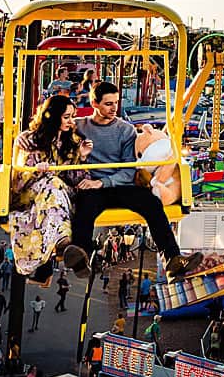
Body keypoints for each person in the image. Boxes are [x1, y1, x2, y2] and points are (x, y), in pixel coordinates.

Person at [68, 84, 194, 280]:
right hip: (90, 185)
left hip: (117, 185)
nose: (114, 108)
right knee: (85, 205)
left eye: (116, 103)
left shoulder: (125, 130)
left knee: (151, 203)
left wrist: (103, 182)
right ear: (94, 103)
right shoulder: (78, 126)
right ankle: (81, 257)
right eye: (108, 104)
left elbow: (128, 170)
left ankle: (172, 258)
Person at [7, 93, 82, 281]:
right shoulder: (29, 140)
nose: (71, 121)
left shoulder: (72, 142)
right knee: (51, 184)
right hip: (31, 192)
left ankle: (54, 254)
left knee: (54, 185)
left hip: (60, 193)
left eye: (72, 116)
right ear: (54, 117)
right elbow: (18, 182)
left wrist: (82, 156)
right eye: (66, 117)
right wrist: (36, 171)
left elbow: (75, 178)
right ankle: (62, 243)